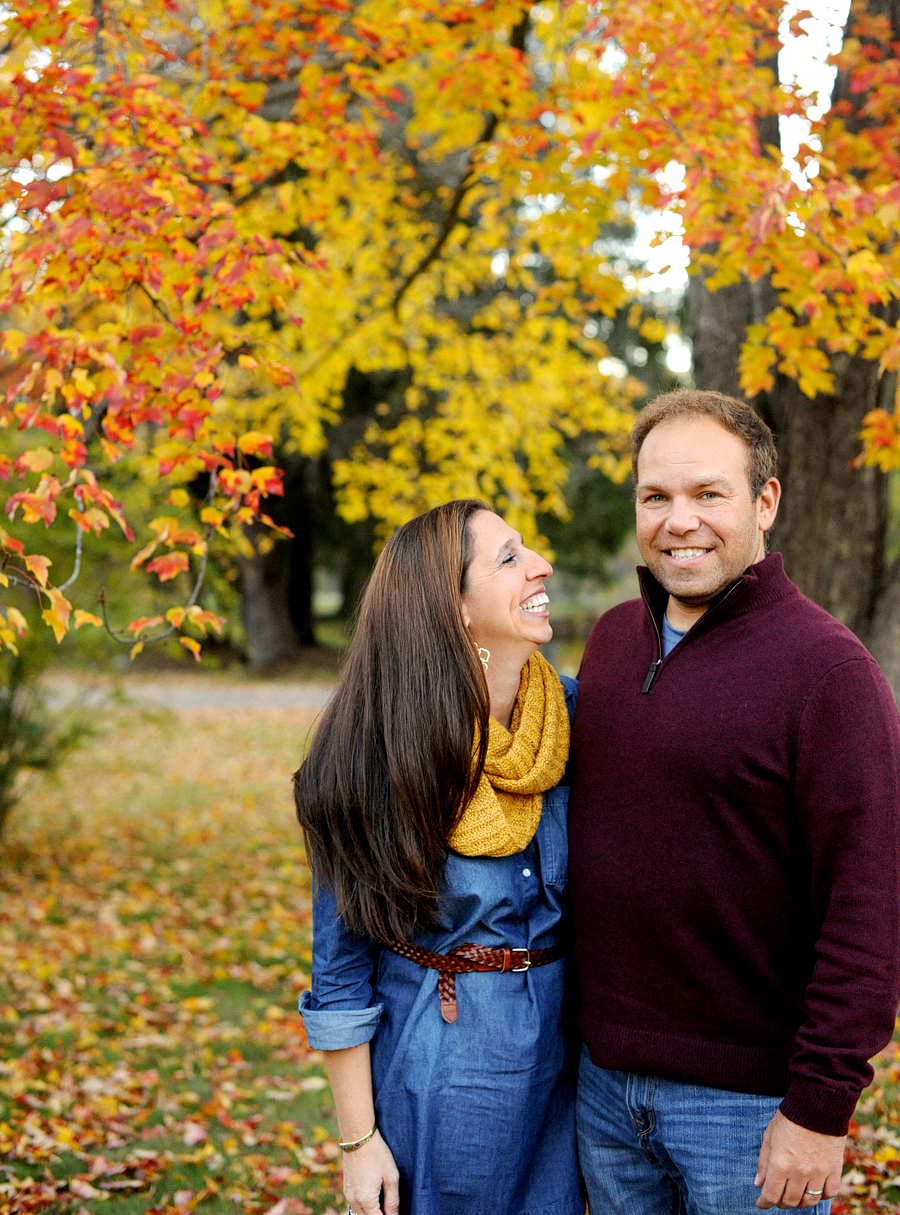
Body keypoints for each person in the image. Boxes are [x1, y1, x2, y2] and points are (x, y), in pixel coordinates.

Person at [569, 389, 900, 1215]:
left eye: (708, 494)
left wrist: (819, 1107)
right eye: (657, 497)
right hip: (604, 1091)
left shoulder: (830, 674)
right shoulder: (612, 641)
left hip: (750, 1111)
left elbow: (871, 905)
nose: (679, 521)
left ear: (765, 501)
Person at [293, 499, 584, 1215]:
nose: (540, 564)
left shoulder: (576, 717)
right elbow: (339, 971)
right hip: (444, 1063)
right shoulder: (372, 755)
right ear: (455, 609)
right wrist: (359, 1141)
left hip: (571, 1056)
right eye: (509, 558)